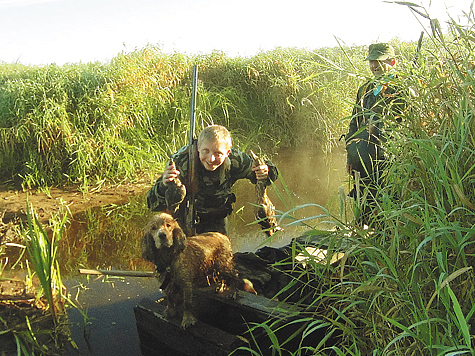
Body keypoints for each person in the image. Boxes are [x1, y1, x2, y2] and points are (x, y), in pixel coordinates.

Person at [146, 124, 278, 236]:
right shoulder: (181, 162)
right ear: (198, 148)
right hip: (185, 220)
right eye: (205, 151)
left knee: (221, 259)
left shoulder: (235, 160)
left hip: (217, 220)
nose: (211, 159)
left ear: (228, 153)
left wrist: (265, 171)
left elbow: (271, 173)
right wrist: (164, 185)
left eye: (217, 153)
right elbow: (152, 204)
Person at [345, 43, 406, 227]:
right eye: (371, 61)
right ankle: (366, 244)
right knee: (364, 206)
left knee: (388, 208)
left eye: (378, 61)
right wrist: (351, 157)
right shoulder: (365, 89)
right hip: (363, 160)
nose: (374, 66)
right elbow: (354, 124)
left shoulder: (401, 88)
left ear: (392, 62)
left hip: (388, 162)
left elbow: (404, 127)